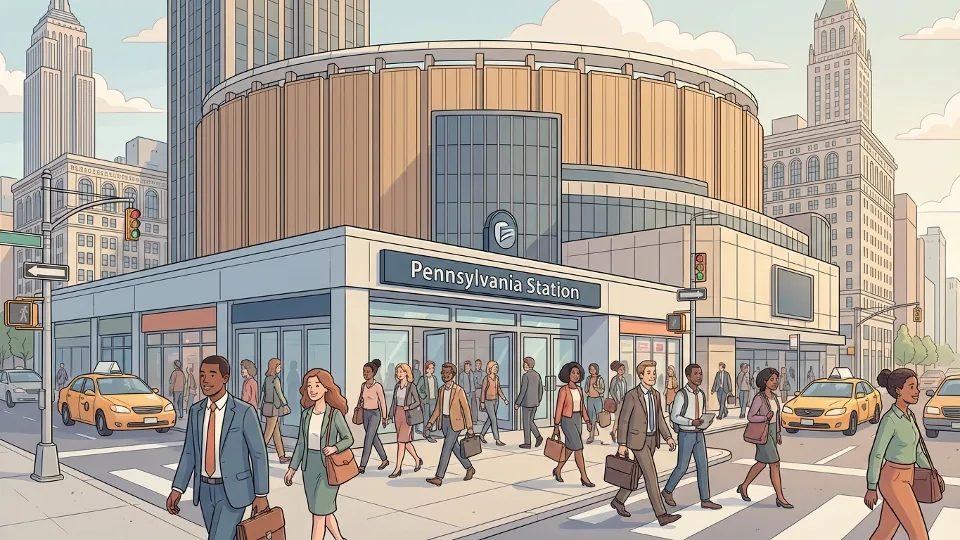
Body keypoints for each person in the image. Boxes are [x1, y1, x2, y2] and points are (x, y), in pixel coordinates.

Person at [166, 355, 270, 540]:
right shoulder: (196, 411)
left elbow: (258, 454)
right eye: (202, 374)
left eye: (212, 374)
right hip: (205, 491)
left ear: (225, 378)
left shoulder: (244, 411)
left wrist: (261, 494)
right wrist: (177, 488)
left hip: (234, 491)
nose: (205, 379)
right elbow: (189, 453)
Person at [284, 368, 353, 540]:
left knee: (318, 514)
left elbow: (348, 438)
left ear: (326, 388)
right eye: (309, 386)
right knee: (323, 510)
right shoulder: (306, 414)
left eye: (317, 385)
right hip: (309, 468)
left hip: (327, 467)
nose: (312, 389)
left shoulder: (334, 414)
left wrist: (334, 448)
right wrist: (292, 468)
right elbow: (301, 443)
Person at [865, 368, 933, 540]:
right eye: (911, 387)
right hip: (893, 479)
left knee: (885, 531)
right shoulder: (890, 420)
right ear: (898, 391)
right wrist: (871, 486)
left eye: (916, 387)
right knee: (919, 535)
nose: (917, 391)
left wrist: (931, 471)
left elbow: (917, 450)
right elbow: (877, 454)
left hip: (909, 477)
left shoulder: (910, 416)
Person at [611, 360, 679, 525]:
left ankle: (618, 500)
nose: (652, 376)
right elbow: (623, 420)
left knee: (637, 472)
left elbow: (660, 419)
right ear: (641, 375)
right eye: (648, 373)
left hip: (652, 439)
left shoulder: (656, 395)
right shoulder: (632, 395)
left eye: (654, 373)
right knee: (651, 476)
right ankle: (661, 514)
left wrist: (668, 437)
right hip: (636, 440)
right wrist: (622, 443)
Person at [662, 364, 721, 510]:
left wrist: (705, 421)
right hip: (686, 434)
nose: (699, 376)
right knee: (682, 467)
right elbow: (674, 416)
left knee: (703, 465)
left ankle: (705, 499)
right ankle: (667, 491)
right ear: (688, 377)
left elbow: (701, 413)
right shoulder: (681, 394)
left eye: (700, 373)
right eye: (695, 374)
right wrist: (690, 422)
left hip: (699, 434)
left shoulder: (701, 394)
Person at [737, 367, 793, 509]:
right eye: (772, 380)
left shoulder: (774, 397)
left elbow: (777, 416)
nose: (775, 382)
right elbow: (750, 417)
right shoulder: (759, 398)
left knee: (762, 463)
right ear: (764, 381)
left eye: (776, 380)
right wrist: (764, 417)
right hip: (764, 432)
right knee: (774, 463)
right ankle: (780, 497)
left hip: (773, 432)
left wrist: (778, 432)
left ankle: (743, 486)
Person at [424, 362, 477, 486]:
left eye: (448, 373)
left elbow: (466, 409)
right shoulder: (441, 390)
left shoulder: (458, 390)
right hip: (445, 422)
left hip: (456, 423)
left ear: (453, 374)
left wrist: (470, 427)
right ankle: (469, 468)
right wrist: (429, 424)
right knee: (455, 448)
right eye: (443, 373)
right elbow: (438, 409)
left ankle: (439, 476)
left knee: (446, 448)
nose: (445, 375)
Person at [552, 362, 595, 487]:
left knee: (570, 448)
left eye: (578, 373)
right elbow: (559, 408)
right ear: (568, 374)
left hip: (577, 420)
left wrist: (587, 420)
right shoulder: (563, 390)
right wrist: (556, 426)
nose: (576, 375)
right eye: (573, 373)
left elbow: (582, 407)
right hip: (567, 420)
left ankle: (558, 469)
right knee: (578, 448)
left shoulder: (580, 390)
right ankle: (584, 477)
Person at [387, 363, 424, 478]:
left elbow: (418, 401)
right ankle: (417, 459)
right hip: (398, 414)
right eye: (397, 372)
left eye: (401, 372)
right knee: (405, 441)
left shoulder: (411, 386)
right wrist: (389, 416)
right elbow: (394, 402)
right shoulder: (397, 387)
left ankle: (398, 468)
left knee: (401, 442)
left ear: (406, 373)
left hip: (407, 415)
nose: (399, 374)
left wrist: (409, 407)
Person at [357, 359, 389, 474]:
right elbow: (361, 399)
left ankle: (362, 465)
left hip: (375, 414)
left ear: (373, 373)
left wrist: (384, 418)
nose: (365, 374)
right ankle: (384, 459)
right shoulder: (363, 386)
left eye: (368, 372)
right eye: (364, 371)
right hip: (365, 413)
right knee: (374, 438)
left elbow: (383, 402)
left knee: (368, 439)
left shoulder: (378, 387)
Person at [262, 358, 291, 464]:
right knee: (268, 434)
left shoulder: (267, 379)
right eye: (279, 366)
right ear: (274, 367)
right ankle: (257, 453)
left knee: (276, 433)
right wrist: (285, 404)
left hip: (267, 407)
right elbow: (279, 393)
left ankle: (281, 456)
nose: (280, 368)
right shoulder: (275, 379)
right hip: (274, 408)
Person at [515, 356, 544, 449]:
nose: (523, 365)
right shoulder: (537, 375)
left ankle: (528, 442)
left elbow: (523, 391)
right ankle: (538, 437)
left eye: (524, 363)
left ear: (527, 365)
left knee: (526, 423)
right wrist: (538, 400)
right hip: (535, 403)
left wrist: (517, 403)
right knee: (531, 421)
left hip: (526, 404)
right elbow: (541, 390)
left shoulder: (526, 376)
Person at [479, 360, 508, 446]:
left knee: (490, 419)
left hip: (496, 400)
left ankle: (481, 435)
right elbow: (483, 391)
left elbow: (498, 389)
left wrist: (504, 399)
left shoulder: (497, 378)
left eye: (496, 367)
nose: (496, 368)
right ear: (489, 368)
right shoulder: (486, 378)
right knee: (494, 420)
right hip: (488, 401)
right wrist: (482, 402)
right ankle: (497, 439)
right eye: (494, 367)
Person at [416, 361, 440, 443]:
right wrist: (423, 397)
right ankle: (426, 434)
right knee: (426, 418)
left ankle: (429, 431)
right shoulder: (423, 378)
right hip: (427, 401)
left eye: (432, 368)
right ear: (426, 369)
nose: (431, 370)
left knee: (432, 417)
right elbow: (418, 388)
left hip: (434, 400)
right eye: (430, 368)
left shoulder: (434, 378)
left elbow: (436, 389)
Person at [584, 363, 606, 444]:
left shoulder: (600, 379)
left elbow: (602, 390)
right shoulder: (588, 378)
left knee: (598, 418)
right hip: (590, 399)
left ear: (597, 370)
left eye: (593, 369)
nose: (592, 371)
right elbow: (586, 389)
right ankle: (591, 435)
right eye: (590, 369)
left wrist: (596, 387)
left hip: (598, 400)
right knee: (591, 419)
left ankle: (600, 435)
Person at [608, 361, 628, 444]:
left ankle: (615, 433)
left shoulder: (624, 379)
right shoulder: (614, 379)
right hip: (618, 402)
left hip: (623, 401)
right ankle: (613, 432)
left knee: (622, 419)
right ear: (617, 370)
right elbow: (611, 390)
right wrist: (616, 398)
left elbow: (625, 390)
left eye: (623, 369)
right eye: (620, 369)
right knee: (617, 419)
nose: (622, 371)